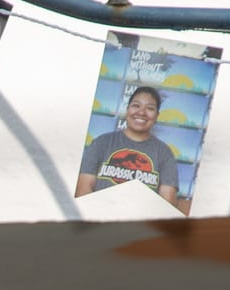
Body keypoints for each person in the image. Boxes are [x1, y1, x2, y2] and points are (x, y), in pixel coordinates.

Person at [74, 85, 188, 214]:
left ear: (157, 116)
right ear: (127, 109)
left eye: (150, 108)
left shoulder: (164, 153)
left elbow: (167, 203)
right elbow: (83, 190)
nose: (141, 112)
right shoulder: (102, 143)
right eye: (136, 105)